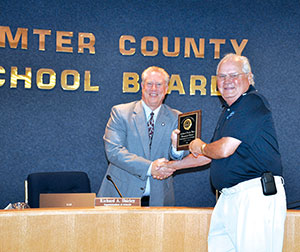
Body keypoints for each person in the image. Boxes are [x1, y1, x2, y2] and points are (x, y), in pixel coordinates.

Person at [166, 54, 286, 252]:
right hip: (229, 198)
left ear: (249, 77)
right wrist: (172, 166)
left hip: (253, 196)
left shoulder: (252, 103)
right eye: (222, 77)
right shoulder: (230, 111)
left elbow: (222, 149)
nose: (227, 81)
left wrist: (200, 146)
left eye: (233, 75)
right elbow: (210, 154)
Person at [97, 66, 186, 206]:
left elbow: (179, 156)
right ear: (142, 86)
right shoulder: (120, 113)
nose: (154, 89)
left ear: (166, 88)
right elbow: (113, 152)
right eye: (149, 84)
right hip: (122, 195)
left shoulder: (177, 117)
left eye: (159, 84)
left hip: (159, 199)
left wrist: (176, 148)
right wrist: (150, 167)